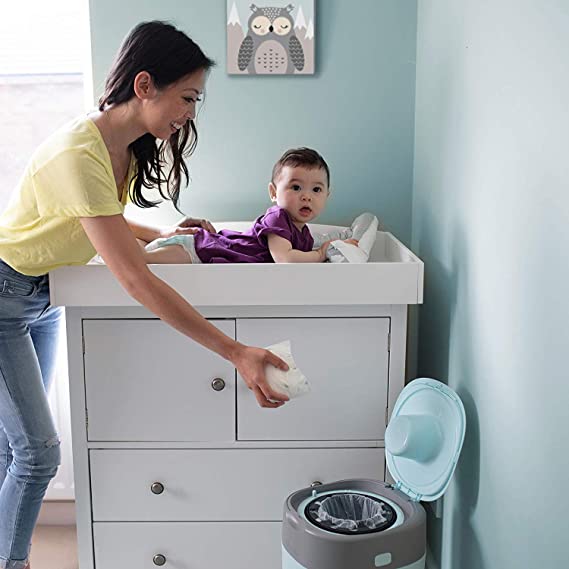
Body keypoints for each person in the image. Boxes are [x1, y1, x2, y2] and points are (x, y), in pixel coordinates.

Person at [0, 21, 290, 569]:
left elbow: (101, 218)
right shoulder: (77, 152)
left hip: (45, 295)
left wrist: (163, 233)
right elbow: (135, 280)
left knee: (10, 450)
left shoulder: (126, 149)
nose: (190, 113)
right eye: (187, 97)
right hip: (5, 293)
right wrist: (236, 352)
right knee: (37, 456)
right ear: (143, 85)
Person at [140, 147, 359, 264]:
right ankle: (111, 244)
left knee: (143, 254)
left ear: (327, 196)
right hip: (199, 249)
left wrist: (338, 244)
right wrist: (321, 253)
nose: (306, 197)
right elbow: (286, 259)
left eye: (316, 190)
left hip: (204, 250)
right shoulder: (278, 218)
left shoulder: (303, 233)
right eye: (295, 187)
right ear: (273, 193)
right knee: (141, 260)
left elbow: (304, 253)